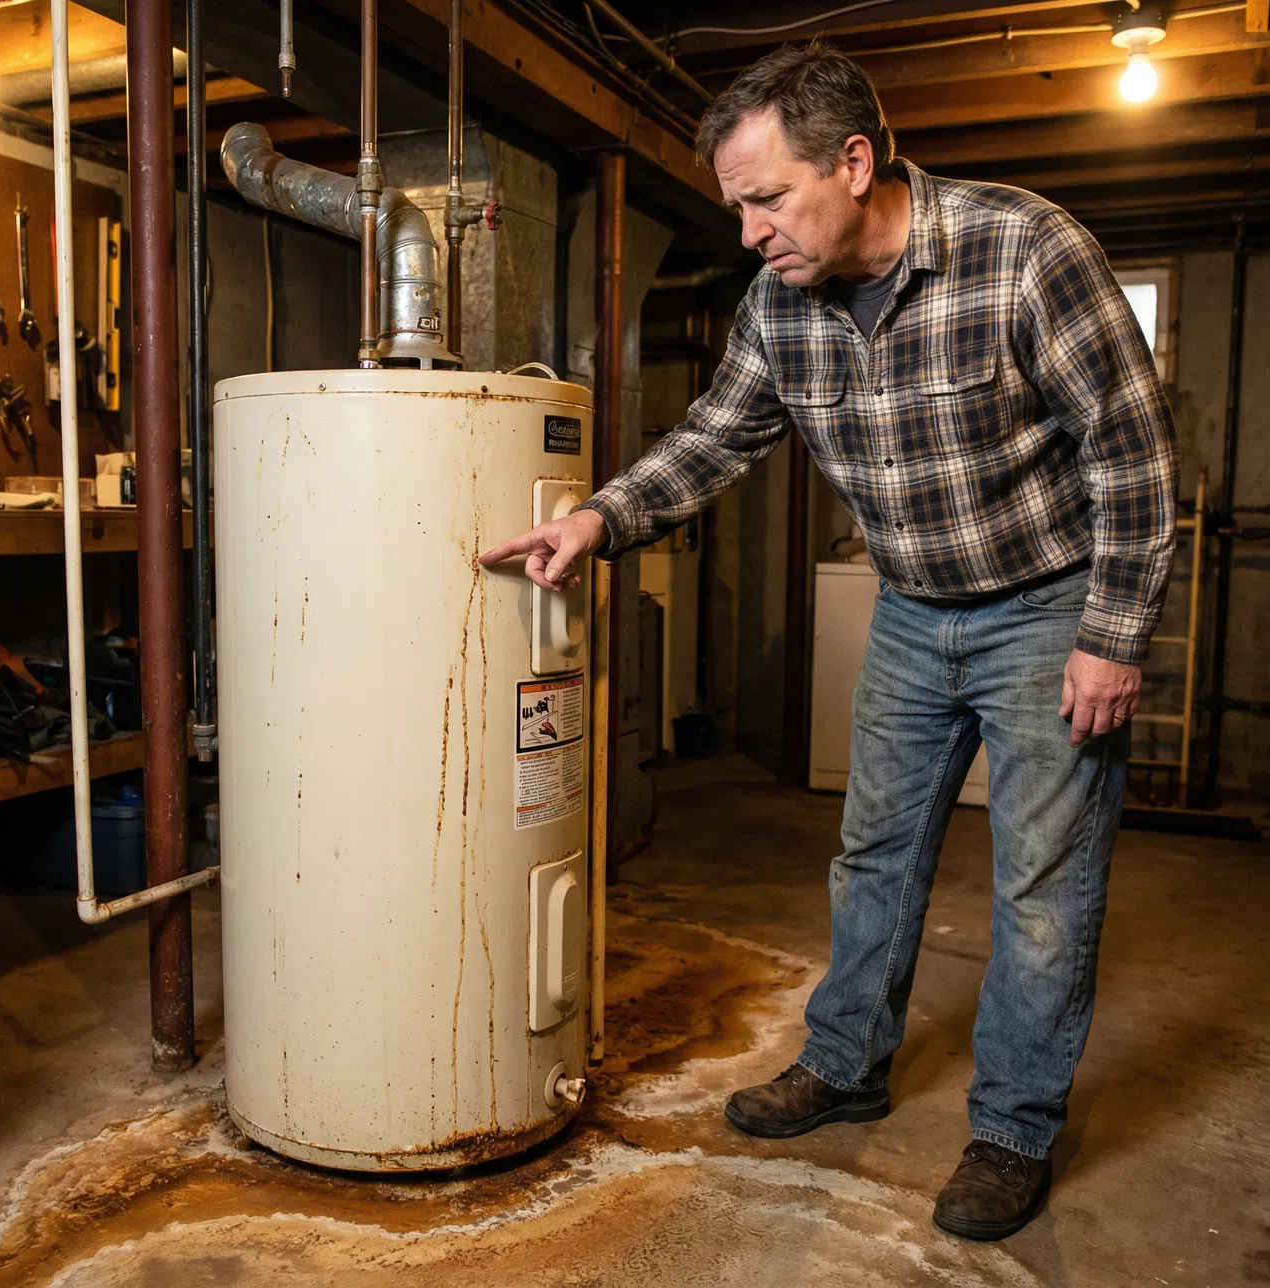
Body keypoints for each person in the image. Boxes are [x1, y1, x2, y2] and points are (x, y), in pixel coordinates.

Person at [479, 40, 1178, 1242]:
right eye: (737, 208)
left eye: (766, 198)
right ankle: (847, 1063)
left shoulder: (1023, 249)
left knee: (1043, 889)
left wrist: (1113, 637)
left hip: (1046, 608)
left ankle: (1014, 1129)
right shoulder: (779, 305)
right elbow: (716, 435)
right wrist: (598, 517)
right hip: (911, 610)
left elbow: (1132, 449)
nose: (750, 233)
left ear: (854, 163)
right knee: (875, 856)